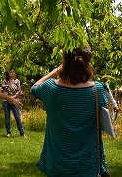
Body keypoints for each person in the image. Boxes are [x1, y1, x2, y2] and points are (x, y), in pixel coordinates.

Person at [31, 47, 110, 177]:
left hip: (57, 166)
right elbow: (102, 119)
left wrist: (56, 71)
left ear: (64, 63)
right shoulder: (97, 89)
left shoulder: (50, 87)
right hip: (88, 167)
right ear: (86, 63)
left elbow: (34, 88)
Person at [0, 69, 27, 138]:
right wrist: (9, 98)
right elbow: (4, 91)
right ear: (8, 73)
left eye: (13, 72)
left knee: (17, 117)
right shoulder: (5, 81)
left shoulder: (17, 81)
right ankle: (8, 132)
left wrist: (13, 98)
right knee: (7, 117)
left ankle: (22, 133)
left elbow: (19, 91)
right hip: (6, 101)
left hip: (15, 101)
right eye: (11, 72)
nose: (12, 73)